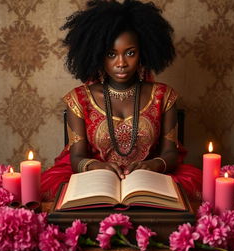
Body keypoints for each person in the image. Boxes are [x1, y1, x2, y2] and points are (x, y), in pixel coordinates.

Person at [41, 0, 202, 201]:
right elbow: (76, 158)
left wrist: (152, 165)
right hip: (97, 181)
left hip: (149, 180)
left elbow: (171, 153)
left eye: (130, 53)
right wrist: (98, 167)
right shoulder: (79, 99)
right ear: (98, 55)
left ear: (143, 53)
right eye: (111, 54)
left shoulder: (164, 96)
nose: (121, 63)